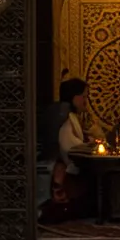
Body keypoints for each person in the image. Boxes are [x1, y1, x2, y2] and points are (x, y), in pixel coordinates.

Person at [42, 78, 95, 221]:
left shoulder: (73, 117)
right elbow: (69, 147)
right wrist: (89, 146)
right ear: (74, 97)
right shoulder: (66, 117)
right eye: (84, 96)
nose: (86, 101)